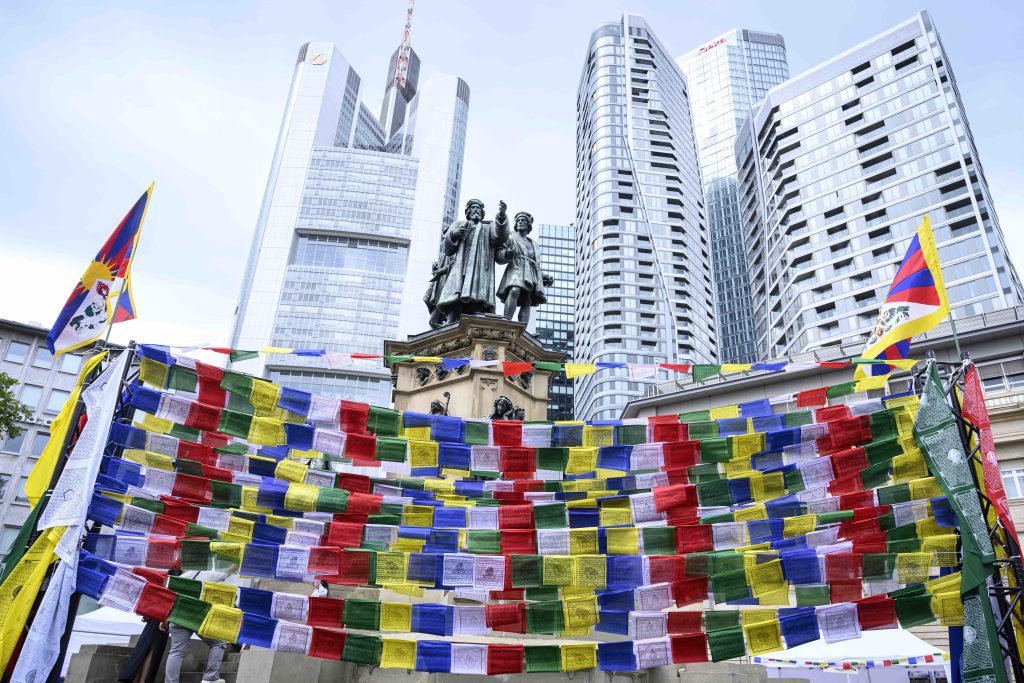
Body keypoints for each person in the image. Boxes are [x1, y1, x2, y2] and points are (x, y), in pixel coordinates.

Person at [436, 198, 510, 324]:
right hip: (460, 267)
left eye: (478, 208)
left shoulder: (488, 227)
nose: (475, 210)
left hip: (480, 269)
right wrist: (454, 234)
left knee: (477, 301)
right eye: (473, 208)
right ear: (468, 211)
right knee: (456, 300)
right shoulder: (458, 225)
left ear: (482, 212)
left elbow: (500, 235)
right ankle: (449, 326)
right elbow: (447, 250)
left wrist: (502, 217)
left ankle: (477, 327)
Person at [496, 211, 553, 324]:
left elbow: (536, 265)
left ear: (528, 225)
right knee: (514, 290)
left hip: (530, 272)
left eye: (523, 220)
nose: (520, 222)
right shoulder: (510, 237)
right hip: (516, 267)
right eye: (518, 221)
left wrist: (544, 276)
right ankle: (506, 321)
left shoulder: (533, 244)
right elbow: (499, 254)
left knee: (527, 300)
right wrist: (507, 253)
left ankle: (523, 329)